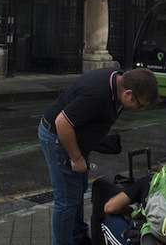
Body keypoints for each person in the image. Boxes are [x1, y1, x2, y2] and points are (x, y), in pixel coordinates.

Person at [39, 67, 158, 245]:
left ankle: (79, 239)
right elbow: (62, 123)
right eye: (140, 105)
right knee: (67, 200)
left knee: (77, 192)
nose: (139, 109)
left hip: (77, 140)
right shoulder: (97, 94)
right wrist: (76, 158)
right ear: (128, 94)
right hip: (59, 138)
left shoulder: (118, 82)